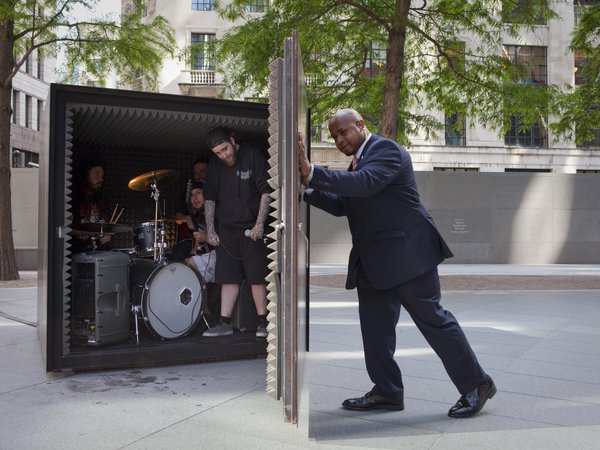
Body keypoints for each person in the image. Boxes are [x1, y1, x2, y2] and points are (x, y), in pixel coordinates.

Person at [298, 108, 496, 418]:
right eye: (335, 136)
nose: (339, 139)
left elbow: (366, 183)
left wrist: (314, 173)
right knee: (375, 332)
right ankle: (387, 392)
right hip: (374, 263)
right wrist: (306, 189)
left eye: (344, 132)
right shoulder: (357, 163)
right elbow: (344, 205)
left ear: (362, 125)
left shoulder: (386, 150)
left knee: (435, 322)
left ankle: (478, 384)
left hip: (408, 257)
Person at [202, 127, 271, 338]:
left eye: (225, 149)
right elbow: (210, 198)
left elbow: (266, 192)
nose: (224, 155)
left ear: (232, 140)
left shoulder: (253, 156)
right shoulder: (215, 165)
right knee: (227, 277)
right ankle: (224, 322)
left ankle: (263, 322)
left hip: (251, 229)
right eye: (219, 153)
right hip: (227, 229)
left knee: (257, 276)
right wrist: (210, 231)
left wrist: (260, 225)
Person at [70, 161, 112, 253]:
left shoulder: (100, 200)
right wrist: (95, 233)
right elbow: (67, 229)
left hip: (98, 252)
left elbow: (105, 226)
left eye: (102, 175)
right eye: (97, 174)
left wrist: (108, 234)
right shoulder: (74, 199)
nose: (100, 179)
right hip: (79, 252)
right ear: (86, 174)